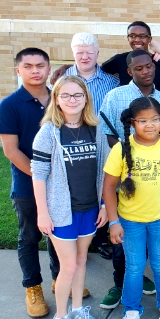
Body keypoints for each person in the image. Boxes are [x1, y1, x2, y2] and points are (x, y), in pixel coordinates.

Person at [31, 75, 107, 319]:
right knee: (69, 266)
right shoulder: (49, 130)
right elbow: (38, 173)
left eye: (78, 95)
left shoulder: (95, 129)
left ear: (86, 98)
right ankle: (60, 318)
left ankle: (77, 310)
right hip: (62, 211)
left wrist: (106, 205)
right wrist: (43, 212)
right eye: (66, 95)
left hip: (90, 208)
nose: (72, 100)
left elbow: (106, 172)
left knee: (82, 260)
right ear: (57, 99)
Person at [103, 97, 160, 319]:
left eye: (155, 120)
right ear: (133, 122)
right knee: (135, 266)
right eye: (143, 121)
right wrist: (113, 221)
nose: (150, 125)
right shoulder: (121, 148)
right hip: (130, 221)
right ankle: (131, 311)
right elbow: (108, 187)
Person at [97, 49, 160, 309]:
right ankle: (120, 282)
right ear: (129, 72)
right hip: (125, 174)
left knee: (148, 231)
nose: (146, 71)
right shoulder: (116, 96)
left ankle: (139, 275)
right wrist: (129, 159)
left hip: (153, 177)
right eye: (139, 68)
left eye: (149, 66)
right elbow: (107, 132)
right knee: (123, 234)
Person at [0, 48, 61, 318]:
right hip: (27, 185)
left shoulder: (58, 99)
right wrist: (41, 178)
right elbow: (11, 151)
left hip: (60, 186)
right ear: (18, 70)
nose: (35, 70)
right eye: (29, 66)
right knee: (29, 237)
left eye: (40, 65)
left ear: (48, 69)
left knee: (58, 234)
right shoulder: (9, 105)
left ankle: (60, 279)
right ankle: (33, 287)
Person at [64, 32, 119, 259]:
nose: (84, 57)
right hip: (74, 143)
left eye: (89, 52)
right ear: (73, 54)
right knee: (80, 188)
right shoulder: (62, 80)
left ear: (97, 54)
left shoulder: (110, 82)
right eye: (79, 53)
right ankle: (79, 235)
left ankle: (100, 234)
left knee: (105, 184)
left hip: (103, 143)